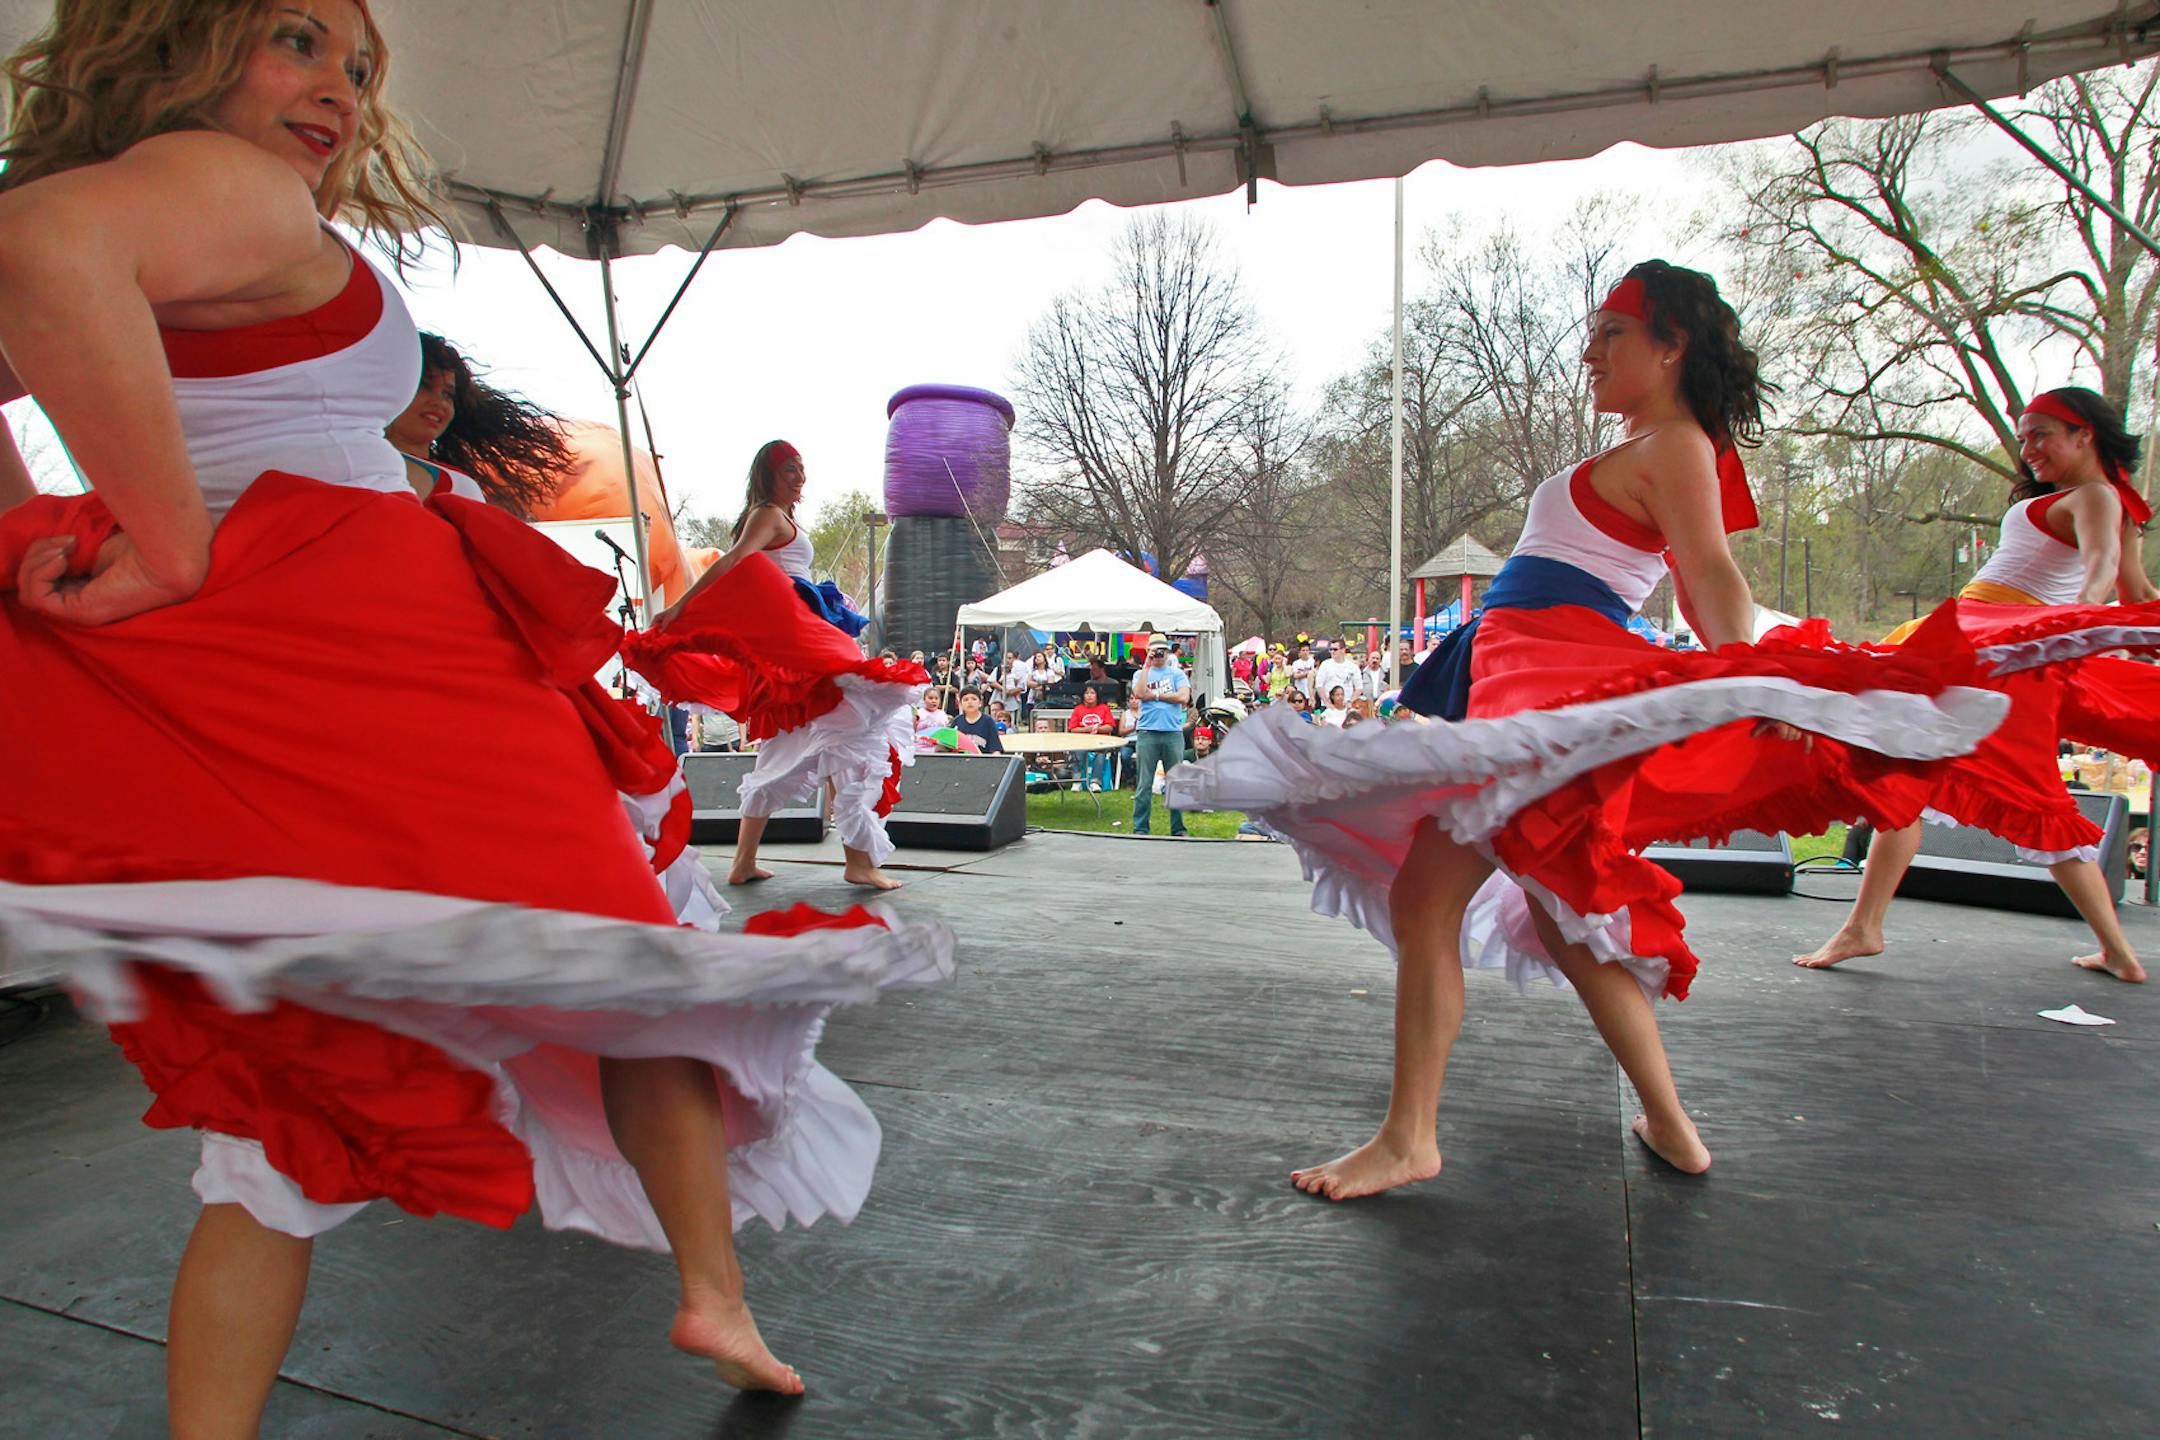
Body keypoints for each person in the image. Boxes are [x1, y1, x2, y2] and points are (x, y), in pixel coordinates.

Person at [0, 0, 956, 1419]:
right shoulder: (231, 185)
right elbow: (38, 241)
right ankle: (713, 1295)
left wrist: (49, 533)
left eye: (358, 66)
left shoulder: (179, 205)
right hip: (386, 672)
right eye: (297, 40)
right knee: (631, 974)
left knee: (292, 1128)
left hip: (310, 677)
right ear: (186, 34)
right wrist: (164, 542)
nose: (340, 90)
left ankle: (707, 1297)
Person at [1169, 259, 2007, 1201]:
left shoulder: (1678, 444)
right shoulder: (1655, 443)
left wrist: (1751, 679)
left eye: (1612, 333)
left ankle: (1413, 1138)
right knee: (1551, 916)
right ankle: (1667, 1126)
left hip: (1546, 680)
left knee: (1437, 902)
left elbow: (1709, 573)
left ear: (1671, 345)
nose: (1590, 353)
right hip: (1512, 672)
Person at [1795, 386, 2160, 982]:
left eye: (2041, 435)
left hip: (1998, 646)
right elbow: (2138, 593)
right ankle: (2116, 951)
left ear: (2084, 435)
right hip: (1987, 641)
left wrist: (2070, 630)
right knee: (1914, 774)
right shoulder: (2093, 501)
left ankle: (1865, 927)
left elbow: (2103, 577)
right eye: (2023, 438)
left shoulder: (2096, 496)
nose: (2028, 450)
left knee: (1941, 776)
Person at [628, 440, 922, 892]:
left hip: (795, 645)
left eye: (801, 469)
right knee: (852, 728)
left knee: (793, 748)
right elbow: (734, 561)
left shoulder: (781, 517)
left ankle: (745, 862)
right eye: (789, 469)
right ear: (768, 475)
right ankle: (857, 863)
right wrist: (682, 606)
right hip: (793, 644)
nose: (799, 477)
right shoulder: (766, 514)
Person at [383, 331, 569, 514]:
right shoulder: (368, 465)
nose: (439, 402)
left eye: (448, 394)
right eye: (423, 385)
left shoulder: (458, 485)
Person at [1130, 634, 1190, 837]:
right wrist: (1146, 665)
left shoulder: (1177, 673)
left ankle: (1178, 828)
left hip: (1172, 733)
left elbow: (1183, 697)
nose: (1158, 655)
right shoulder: (1141, 673)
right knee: (1144, 783)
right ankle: (1140, 828)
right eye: (1154, 651)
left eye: (1162, 651)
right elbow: (1139, 693)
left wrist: (1155, 695)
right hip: (1148, 732)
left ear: (1168, 652)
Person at [1068, 682, 1118, 790]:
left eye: (1092, 693)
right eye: (1087, 693)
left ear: (1097, 695)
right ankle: (1077, 782)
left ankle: (1095, 782)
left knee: (1100, 753)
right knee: (1077, 751)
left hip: (1100, 741)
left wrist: (1098, 729)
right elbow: (1073, 729)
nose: (1089, 695)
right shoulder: (1078, 709)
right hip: (1082, 742)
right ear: (1083, 696)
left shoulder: (1104, 708)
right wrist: (1086, 729)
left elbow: (1110, 727)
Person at [952, 687, 1005, 755]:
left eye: (974, 699)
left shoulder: (988, 721)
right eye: (965, 699)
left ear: (980, 702)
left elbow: (995, 749)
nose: (970, 702)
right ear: (960, 704)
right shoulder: (957, 721)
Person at [1314, 643, 1360, 715]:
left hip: (1347, 707)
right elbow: (1319, 685)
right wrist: (1327, 702)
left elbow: (1359, 688)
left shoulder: (1353, 666)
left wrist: (1350, 702)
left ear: (1343, 650)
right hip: (1328, 707)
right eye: (1331, 649)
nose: (1332, 652)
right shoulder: (1325, 665)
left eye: (1335, 649)